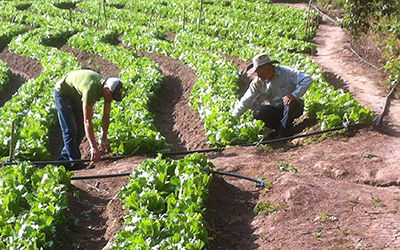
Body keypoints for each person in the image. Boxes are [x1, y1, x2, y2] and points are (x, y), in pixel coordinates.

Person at [54, 69, 123, 169]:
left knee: (81, 129)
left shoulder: (108, 93)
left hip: (75, 94)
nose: (112, 99)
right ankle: (75, 163)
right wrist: (93, 147)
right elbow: (87, 121)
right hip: (63, 93)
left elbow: (106, 117)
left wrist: (103, 138)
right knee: (70, 129)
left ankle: (64, 161)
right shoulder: (91, 89)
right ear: (106, 89)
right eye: (112, 96)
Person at [232, 53, 312, 138]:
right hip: (275, 110)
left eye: (259, 72)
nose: (257, 75)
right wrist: (233, 117)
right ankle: (281, 129)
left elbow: (307, 79)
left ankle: (284, 132)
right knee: (258, 113)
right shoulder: (257, 82)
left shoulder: (285, 72)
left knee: (291, 103)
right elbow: (246, 100)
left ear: (267, 68)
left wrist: (293, 95)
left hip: (291, 107)